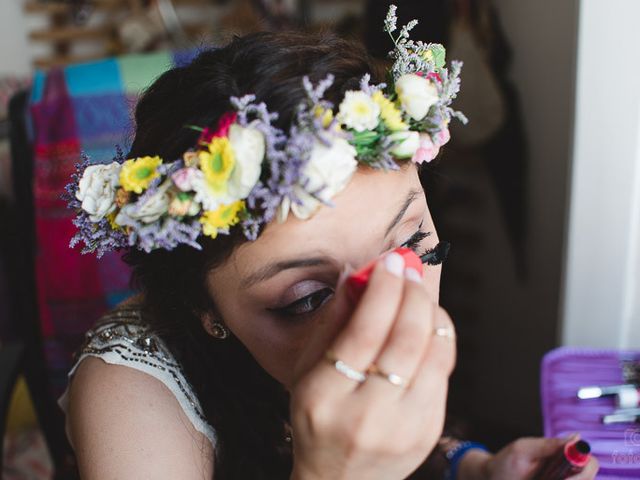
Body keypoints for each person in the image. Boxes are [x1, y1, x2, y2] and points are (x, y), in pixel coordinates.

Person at [60, 7, 598, 480]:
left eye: (412, 243)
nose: (386, 305)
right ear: (204, 307)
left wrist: (469, 466)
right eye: (308, 299)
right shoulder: (126, 391)